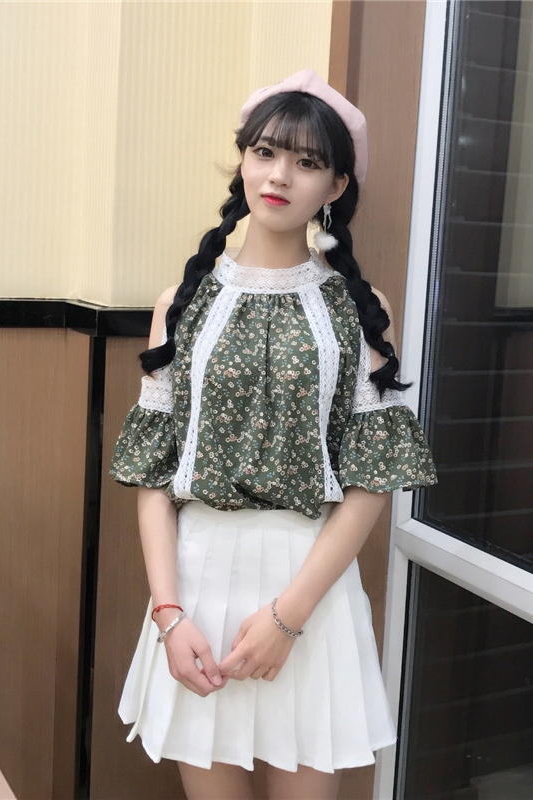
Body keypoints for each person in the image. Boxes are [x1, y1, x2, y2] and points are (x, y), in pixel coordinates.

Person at [111, 70, 436, 800]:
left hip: (310, 589)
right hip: (194, 590)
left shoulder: (361, 308)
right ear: (244, 162)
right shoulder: (181, 302)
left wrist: (288, 618)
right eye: (264, 152)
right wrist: (168, 614)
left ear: (336, 185)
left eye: (307, 161)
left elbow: (372, 481)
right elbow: (153, 475)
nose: (280, 175)